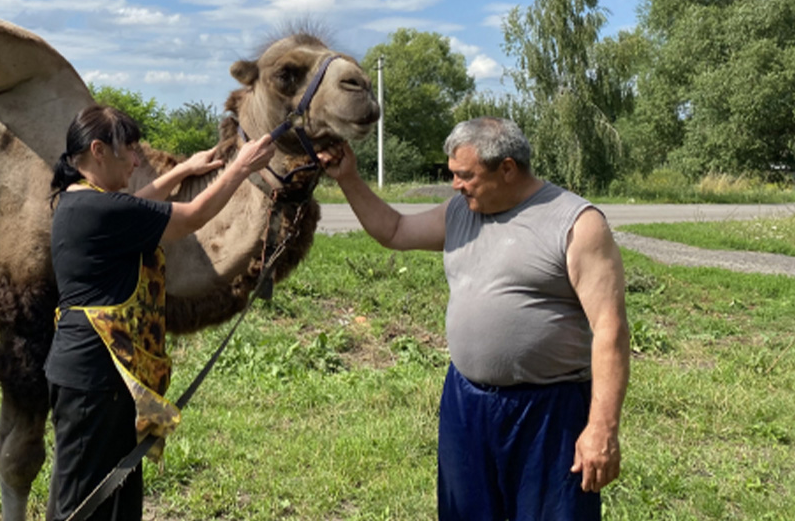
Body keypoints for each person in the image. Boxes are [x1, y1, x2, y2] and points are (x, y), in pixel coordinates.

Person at [320, 117, 630, 521]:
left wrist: (602, 428)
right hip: (467, 404)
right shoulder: (460, 213)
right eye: (453, 174)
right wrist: (349, 179)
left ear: (507, 168)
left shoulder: (576, 223)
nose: (456, 185)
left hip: (549, 413)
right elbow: (393, 230)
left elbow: (610, 329)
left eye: (465, 175)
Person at [45, 104, 275, 521]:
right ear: (98, 150)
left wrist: (183, 170)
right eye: (128, 151)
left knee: (111, 493)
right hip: (97, 377)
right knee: (82, 504)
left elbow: (136, 204)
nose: (136, 161)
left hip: (99, 375)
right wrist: (240, 168)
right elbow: (191, 218)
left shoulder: (82, 203)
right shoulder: (99, 209)